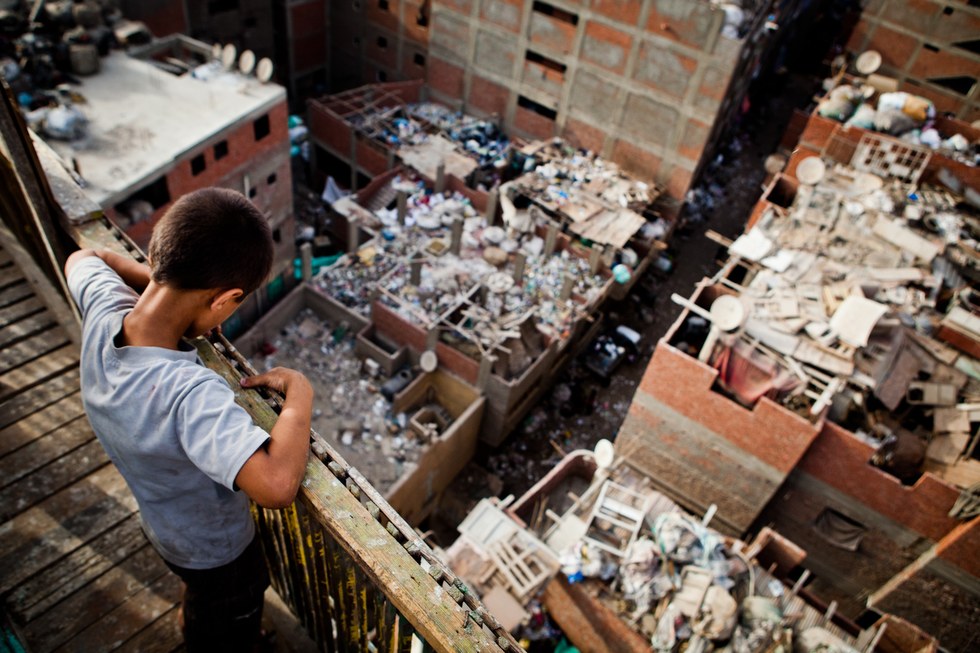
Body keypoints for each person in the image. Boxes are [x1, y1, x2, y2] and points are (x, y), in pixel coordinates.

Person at [64, 188, 313, 652]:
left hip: (164, 528)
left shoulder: (102, 310)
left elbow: (85, 256)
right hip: (219, 554)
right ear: (225, 300)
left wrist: (165, 291)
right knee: (228, 622)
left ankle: (198, 620)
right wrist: (300, 393)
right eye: (232, 305)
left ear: (160, 252)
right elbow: (278, 485)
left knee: (202, 598)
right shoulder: (187, 394)